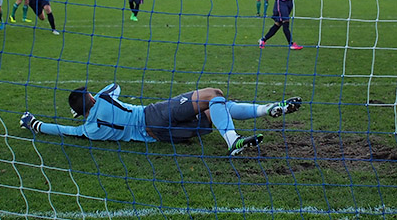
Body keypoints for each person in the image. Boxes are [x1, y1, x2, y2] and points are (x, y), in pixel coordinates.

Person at [20, 83, 302, 156]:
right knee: (214, 94)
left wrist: (36, 124)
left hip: (160, 136)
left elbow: (67, 131)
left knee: (214, 108)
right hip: (152, 115)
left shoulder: (90, 129)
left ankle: (262, 114)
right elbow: (114, 87)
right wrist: (99, 94)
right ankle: (240, 134)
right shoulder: (104, 98)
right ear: (91, 98)